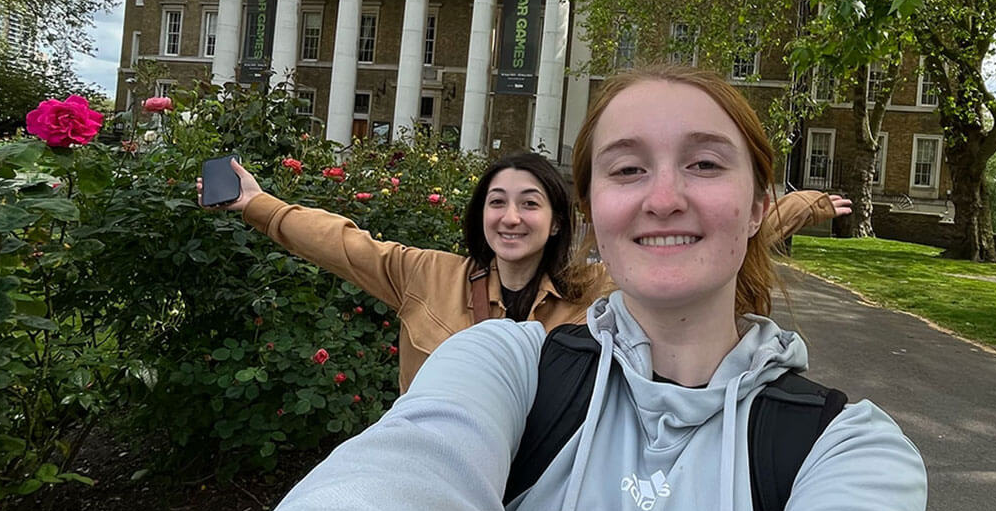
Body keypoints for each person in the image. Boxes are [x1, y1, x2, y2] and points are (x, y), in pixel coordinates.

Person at [0, 66, 924, 511]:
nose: (664, 195)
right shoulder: (487, 343)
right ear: (599, 208)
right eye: (629, 167)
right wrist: (251, 200)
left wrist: (813, 206)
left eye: (707, 164)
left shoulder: (852, 452)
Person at [200, 152, 850, 392]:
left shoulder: (595, 295)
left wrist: (792, 210)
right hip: (436, 491)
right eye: (497, 202)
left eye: (530, 203)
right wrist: (257, 204)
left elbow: (698, 266)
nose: (511, 217)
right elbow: (342, 243)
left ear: (557, 222)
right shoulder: (427, 276)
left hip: (549, 499)